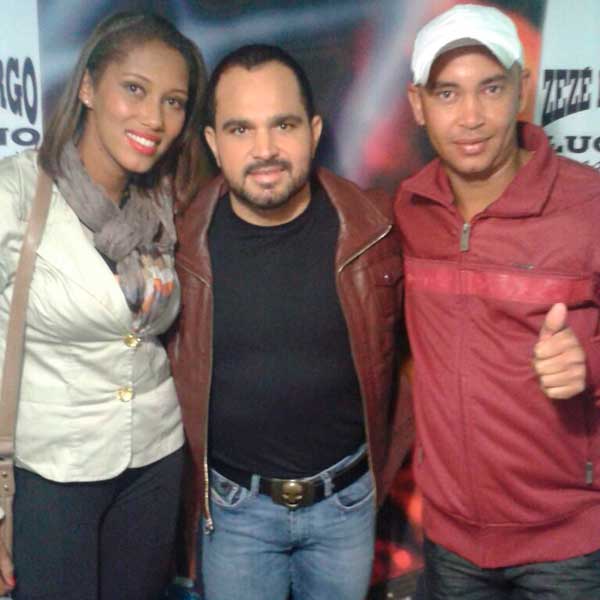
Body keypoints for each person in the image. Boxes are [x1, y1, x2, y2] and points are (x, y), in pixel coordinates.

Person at [167, 44, 413, 600]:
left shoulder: (375, 229)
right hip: (234, 513)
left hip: (347, 506)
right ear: (213, 142)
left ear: (314, 130)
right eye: (240, 129)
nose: (265, 150)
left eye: (283, 124)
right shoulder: (179, 243)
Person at [395, 4, 600, 599]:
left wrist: (588, 363)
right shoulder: (408, 209)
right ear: (417, 105)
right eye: (447, 93)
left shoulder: (588, 205)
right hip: (450, 542)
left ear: (521, 90)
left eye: (490, 87)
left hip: (566, 547)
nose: (471, 116)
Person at [0, 11, 207, 599]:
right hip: (52, 471)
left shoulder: (170, 201)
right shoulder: (17, 191)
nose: (154, 118)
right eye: (134, 89)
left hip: (155, 461)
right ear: (88, 87)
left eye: (173, 101)